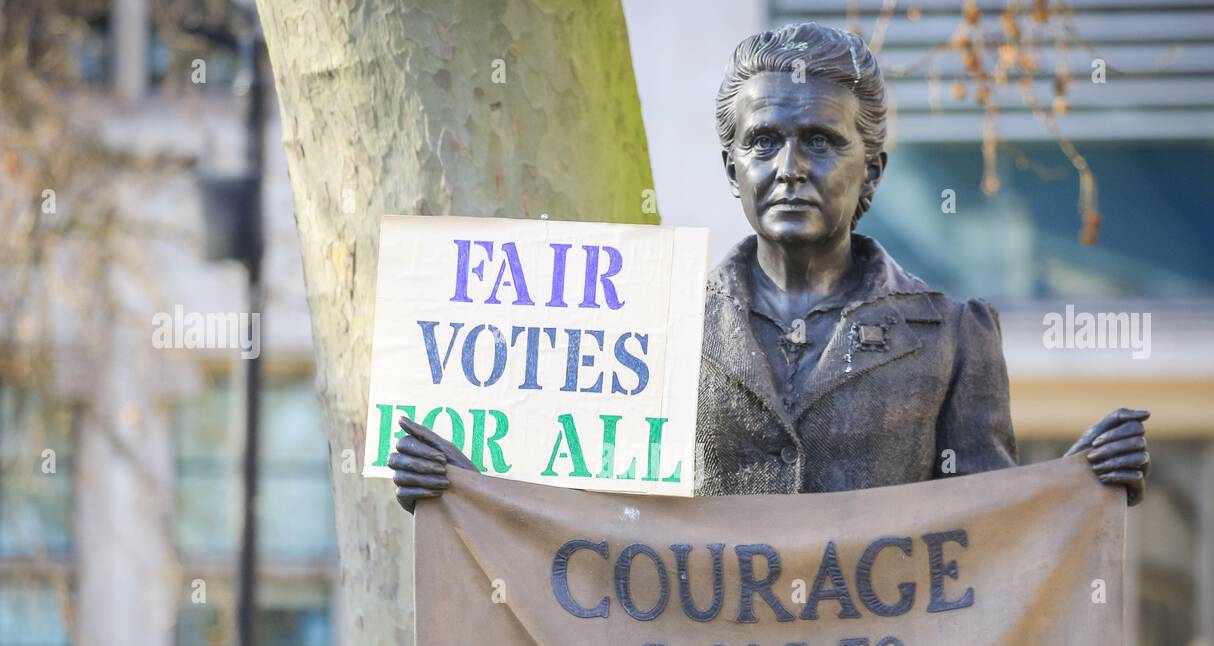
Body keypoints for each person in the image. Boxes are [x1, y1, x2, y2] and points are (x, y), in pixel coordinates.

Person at [390, 22, 1148, 511]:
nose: (788, 167)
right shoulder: (650, 324)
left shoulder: (951, 339)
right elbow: (583, 520)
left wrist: (1071, 493)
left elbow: (986, 540)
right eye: (764, 142)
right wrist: (468, 490)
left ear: (872, 170)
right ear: (733, 167)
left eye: (820, 141)